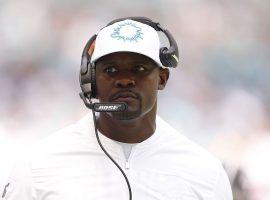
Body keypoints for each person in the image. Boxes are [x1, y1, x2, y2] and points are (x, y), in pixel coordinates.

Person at [2, 17, 233, 200]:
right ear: (90, 80)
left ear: (162, 78)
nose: (124, 80)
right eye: (111, 70)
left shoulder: (205, 172)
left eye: (139, 69)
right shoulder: (38, 165)